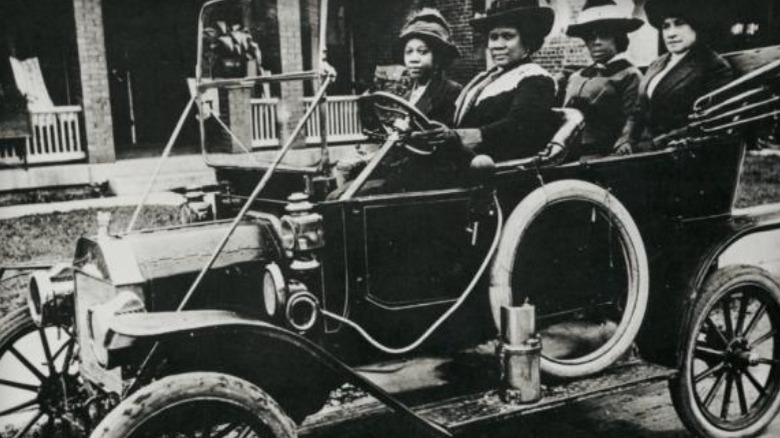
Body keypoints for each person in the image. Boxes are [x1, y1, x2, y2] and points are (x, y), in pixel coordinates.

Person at [412, 0, 558, 163]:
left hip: (495, 167)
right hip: (465, 159)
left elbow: (520, 127)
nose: (497, 45)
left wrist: (456, 137)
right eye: (493, 37)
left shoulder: (536, 78)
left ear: (528, 40)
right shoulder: (486, 79)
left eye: (507, 36)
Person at [617, 0, 734, 154]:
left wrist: (654, 145)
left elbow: (708, 121)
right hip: (643, 150)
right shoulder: (658, 63)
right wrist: (626, 140)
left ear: (696, 25)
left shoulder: (712, 66)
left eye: (679, 24)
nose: (671, 33)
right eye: (666, 26)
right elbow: (638, 110)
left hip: (681, 154)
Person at [563, 0, 644, 157]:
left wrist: (624, 143)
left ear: (618, 38)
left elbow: (633, 117)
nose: (596, 42)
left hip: (603, 155)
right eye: (590, 36)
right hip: (568, 152)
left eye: (604, 35)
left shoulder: (629, 75)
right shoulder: (576, 76)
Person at [398, 8, 463, 126]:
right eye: (408, 52)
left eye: (422, 52)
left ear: (438, 57)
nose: (413, 59)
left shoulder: (451, 92)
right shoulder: (407, 92)